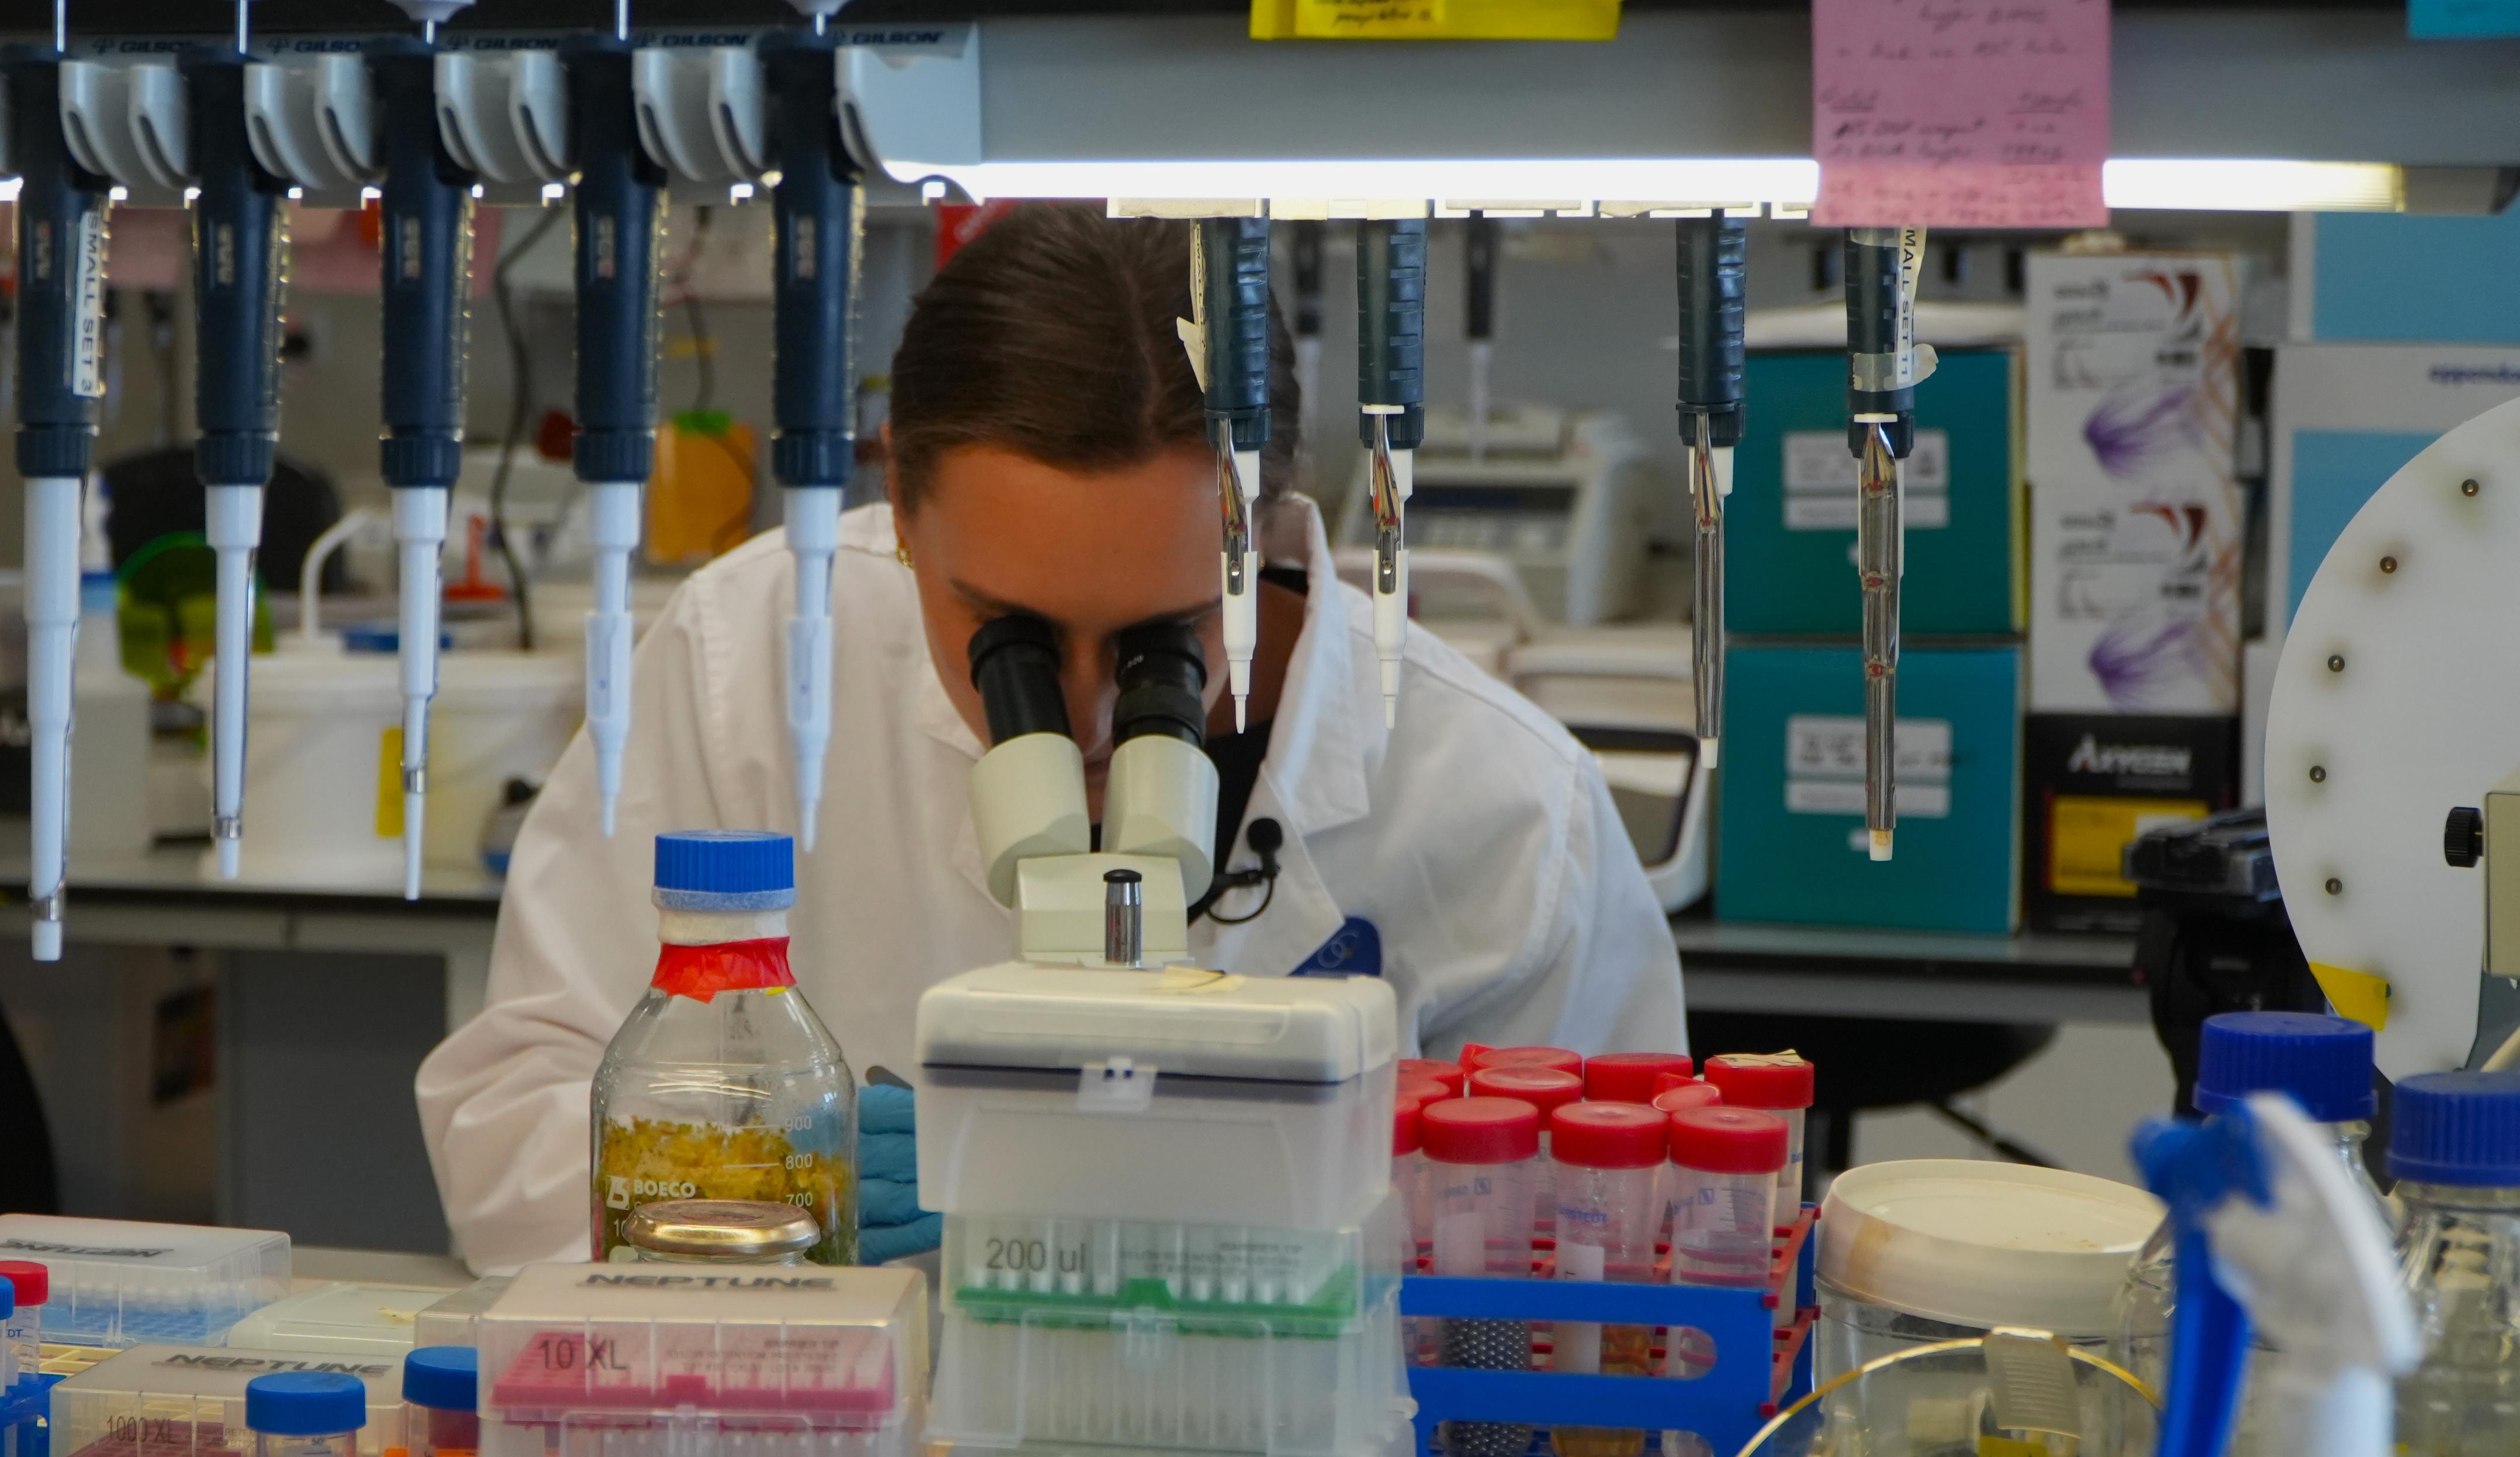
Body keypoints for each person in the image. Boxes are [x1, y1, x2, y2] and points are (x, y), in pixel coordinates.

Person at [419, 205, 1683, 1272]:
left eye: (1163, 642)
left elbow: (1611, 1254)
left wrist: (1244, 1208)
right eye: (1009, 637)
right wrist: (779, 1176)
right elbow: (514, 1117)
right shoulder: (745, 659)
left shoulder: (1500, 804)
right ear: (903, 516)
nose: (1082, 718)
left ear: (1275, 532)